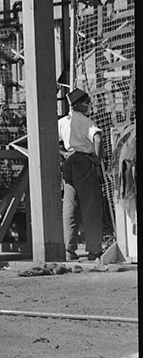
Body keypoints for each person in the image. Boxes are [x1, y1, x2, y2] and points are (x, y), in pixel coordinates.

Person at [59, 88, 105, 261]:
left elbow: (53, 140)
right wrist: (97, 158)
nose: (89, 106)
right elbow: (98, 138)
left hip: (69, 162)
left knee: (69, 206)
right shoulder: (85, 121)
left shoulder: (63, 122)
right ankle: (94, 249)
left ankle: (68, 250)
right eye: (87, 103)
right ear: (78, 105)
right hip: (85, 161)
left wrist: (64, 154)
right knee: (91, 206)